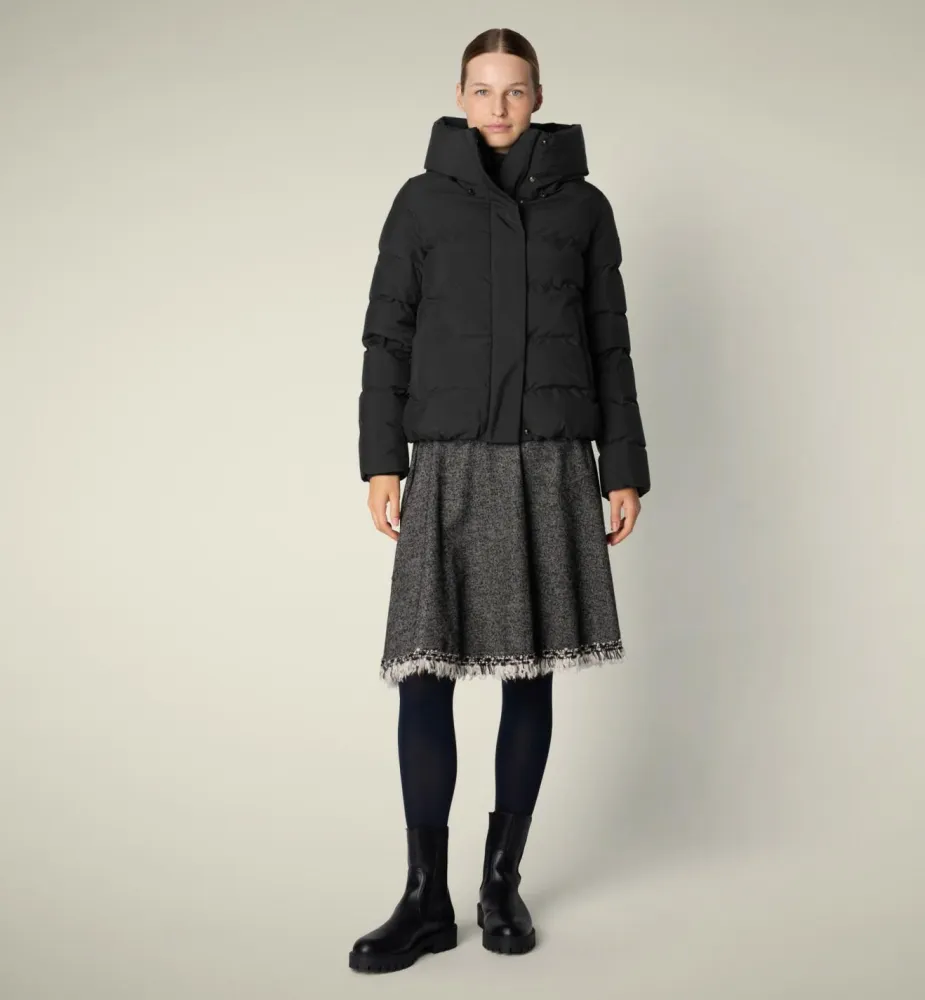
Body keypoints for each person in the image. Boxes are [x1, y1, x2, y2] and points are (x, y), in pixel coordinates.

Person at [349, 27, 650, 974]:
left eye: (515, 90)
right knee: (424, 673)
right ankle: (424, 899)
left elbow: (609, 340)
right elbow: (388, 336)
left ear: (539, 96)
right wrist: (382, 460)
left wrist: (623, 466)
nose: (499, 107)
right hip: (446, 461)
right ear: (460, 95)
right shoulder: (420, 202)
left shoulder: (586, 208)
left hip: (550, 461)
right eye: (483, 89)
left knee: (532, 675)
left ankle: (500, 883)